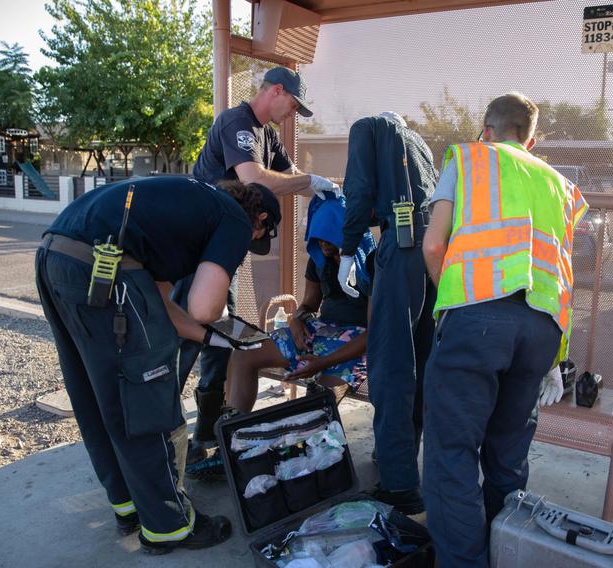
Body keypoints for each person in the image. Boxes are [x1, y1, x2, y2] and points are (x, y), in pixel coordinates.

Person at [35, 176, 281, 554]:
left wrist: (215, 338)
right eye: (256, 239)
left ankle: (128, 505)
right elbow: (204, 308)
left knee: (100, 394)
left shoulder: (184, 209)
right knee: (144, 396)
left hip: (57, 256)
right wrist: (221, 326)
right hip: (103, 268)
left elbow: (163, 304)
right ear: (259, 219)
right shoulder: (233, 219)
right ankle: (170, 524)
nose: (248, 247)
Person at [420, 92, 587, 567]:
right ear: (531, 140)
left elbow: (435, 245)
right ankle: (505, 551)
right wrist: (557, 358)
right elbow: (564, 271)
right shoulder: (558, 183)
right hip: (541, 331)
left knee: (452, 453)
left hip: (476, 321)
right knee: (508, 455)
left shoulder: (470, 159)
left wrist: (450, 300)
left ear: (486, 130)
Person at [181, 66, 340, 475]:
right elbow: (252, 178)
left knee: (223, 335)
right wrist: (311, 178)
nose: (292, 114)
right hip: (195, 250)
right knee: (187, 338)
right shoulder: (238, 123)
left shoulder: (267, 134)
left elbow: (290, 180)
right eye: (292, 104)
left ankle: (207, 437)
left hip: (222, 248)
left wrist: (332, 188)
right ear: (276, 91)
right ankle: (173, 438)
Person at [339, 112, 437, 515]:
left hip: (401, 249)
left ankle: (399, 485)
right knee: (419, 360)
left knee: (391, 365)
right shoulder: (420, 143)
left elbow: (359, 190)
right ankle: (397, 458)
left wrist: (347, 250)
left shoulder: (368, 128)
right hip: (435, 250)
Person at [225, 191, 377, 411]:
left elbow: (374, 332)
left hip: (355, 345)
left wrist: (323, 363)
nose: (322, 244)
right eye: (317, 238)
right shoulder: (319, 260)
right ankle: (233, 434)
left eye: (327, 238)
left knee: (312, 408)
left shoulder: (372, 263)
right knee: (244, 354)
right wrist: (296, 320)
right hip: (321, 332)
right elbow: (308, 305)